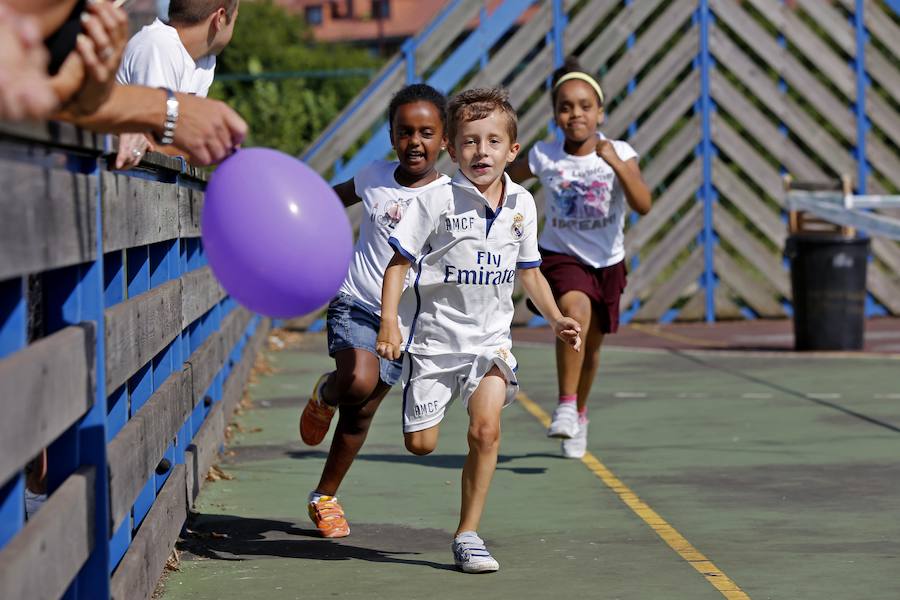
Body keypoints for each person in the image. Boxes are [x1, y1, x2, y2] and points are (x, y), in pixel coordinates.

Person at [376, 88, 582, 573]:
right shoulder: (437, 199)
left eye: (492, 141)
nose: (481, 152)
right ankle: (422, 395)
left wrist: (555, 319)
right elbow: (398, 265)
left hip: (489, 344)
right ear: (452, 148)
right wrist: (389, 322)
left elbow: (529, 272)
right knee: (420, 444)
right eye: (469, 141)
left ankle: (468, 535)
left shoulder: (523, 205)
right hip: (434, 344)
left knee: (485, 431)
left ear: (513, 150)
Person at [298, 83, 450, 538]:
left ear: (444, 139)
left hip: (405, 325)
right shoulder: (373, 177)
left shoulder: (452, 195)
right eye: (405, 132)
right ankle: (326, 391)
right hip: (357, 302)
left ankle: (324, 497)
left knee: (361, 413)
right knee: (357, 380)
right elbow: (327, 200)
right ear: (391, 135)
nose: (415, 142)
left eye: (427, 132)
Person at [507, 57, 651, 459]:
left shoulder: (620, 151)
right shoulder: (545, 156)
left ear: (600, 112)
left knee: (592, 349)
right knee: (576, 311)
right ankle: (566, 404)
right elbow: (502, 176)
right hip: (561, 256)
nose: (576, 114)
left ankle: (580, 413)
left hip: (607, 263)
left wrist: (616, 164)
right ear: (555, 115)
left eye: (585, 106)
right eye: (566, 107)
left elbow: (643, 203)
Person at [114, 0, 240, 168]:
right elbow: (157, 142)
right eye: (235, 20)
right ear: (221, 18)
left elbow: (184, 141)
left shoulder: (206, 59)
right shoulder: (159, 44)